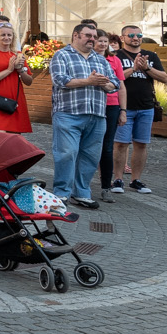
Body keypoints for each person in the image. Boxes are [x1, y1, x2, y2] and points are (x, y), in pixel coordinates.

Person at [48, 21, 115, 208]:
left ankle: (81, 193)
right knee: (66, 153)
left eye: (94, 37)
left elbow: (114, 84)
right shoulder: (62, 55)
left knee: (91, 156)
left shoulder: (100, 59)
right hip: (69, 113)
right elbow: (60, 80)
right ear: (76, 35)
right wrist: (89, 81)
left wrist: (102, 83)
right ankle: (61, 193)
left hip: (97, 115)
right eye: (88, 36)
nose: (92, 40)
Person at [111, 26, 161, 193]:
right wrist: (133, 68)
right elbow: (115, 79)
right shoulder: (116, 56)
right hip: (125, 107)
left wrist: (147, 67)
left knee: (141, 144)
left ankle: (136, 179)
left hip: (146, 107)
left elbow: (165, 78)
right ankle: (118, 179)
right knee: (121, 144)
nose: (135, 38)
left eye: (139, 35)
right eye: (131, 35)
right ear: (122, 37)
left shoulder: (151, 55)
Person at [94, 28, 127, 200]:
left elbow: (121, 87)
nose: (102, 44)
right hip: (92, 105)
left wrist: (123, 110)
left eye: (105, 41)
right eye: (100, 40)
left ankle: (106, 186)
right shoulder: (86, 58)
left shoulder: (114, 60)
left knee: (107, 147)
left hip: (111, 105)